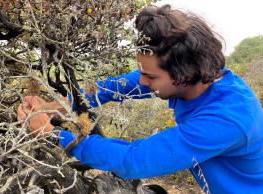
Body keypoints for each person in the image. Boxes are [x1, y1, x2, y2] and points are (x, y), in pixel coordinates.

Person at [17, 4, 263, 194]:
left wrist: (53, 134)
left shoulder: (228, 119)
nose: (142, 81)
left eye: (150, 76)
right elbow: (113, 88)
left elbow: (135, 160)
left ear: (183, 75)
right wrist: (56, 106)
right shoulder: (192, 78)